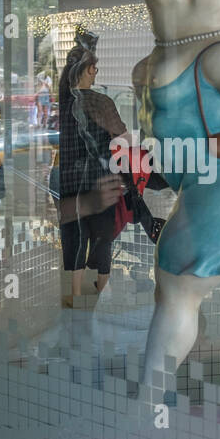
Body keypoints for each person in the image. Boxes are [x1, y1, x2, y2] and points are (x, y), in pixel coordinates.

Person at [57, 36, 126, 309]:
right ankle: (102, 289)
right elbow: (120, 135)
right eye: (94, 68)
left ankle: (74, 293)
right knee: (102, 234)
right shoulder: (101, 102)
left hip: (69, 179)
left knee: (75, 233)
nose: (96, 73)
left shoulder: (62, 101)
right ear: (87, 70)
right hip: (101, 178)